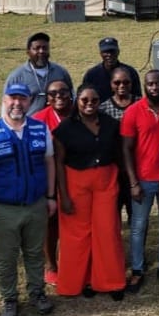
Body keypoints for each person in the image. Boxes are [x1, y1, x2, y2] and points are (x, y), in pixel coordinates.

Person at [0, 84, 57, 316]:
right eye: (12, 99)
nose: (17, 103)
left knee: (35, 253)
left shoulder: (40, 129)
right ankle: (9, 298)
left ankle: (37, 292)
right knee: (6, 257)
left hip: (36, 204)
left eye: (22, 99)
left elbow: (49, 163)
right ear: (4, 101)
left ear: (29, 102)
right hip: (2, 208)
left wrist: (50, 197)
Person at [52, 84, 126, 299]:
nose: (89, 104)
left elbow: (118, 155)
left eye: (94, 100)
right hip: (76, 183)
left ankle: (112, 282)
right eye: (85, 100)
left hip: (106, 182)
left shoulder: (111, 125)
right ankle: (81, 281)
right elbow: (58, 163)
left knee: (107, 231)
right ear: (77, 101)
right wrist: (63, 195)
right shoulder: (65, 129)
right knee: (77, 234)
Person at [121, 69, 159, 291]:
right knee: (139, 225)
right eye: (150, 84)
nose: (154, 87)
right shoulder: (133, 111)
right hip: (143, 179)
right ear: (144, 86)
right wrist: (133, 182)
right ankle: (137, 269)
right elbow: (127, 149)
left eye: (158, 83)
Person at [32, 79, 73, 286]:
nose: (59, 96)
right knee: (51, 221)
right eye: (53, 93)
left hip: (76, 176)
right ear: (47, 98)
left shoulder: (80, 112)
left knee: (75, 221)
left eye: (63, 92)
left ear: (71, 93)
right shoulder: (39, 120)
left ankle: (72, 261)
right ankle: (50, 265)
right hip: (49, 178)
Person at [98, 66, 137, 228]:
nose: (122, 86)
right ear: (111, 84)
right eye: (117, 82)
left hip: (136, 167)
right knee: (113, 214)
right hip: (113, 168)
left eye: (126, 82)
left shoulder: (140, 104)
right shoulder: (103, 109)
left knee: (136, 213)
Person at [4, 32, 73, 116]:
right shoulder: (17, 77)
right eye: (37, 48)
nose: (41, 51)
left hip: (57, 125)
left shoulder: (60, 72)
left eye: (45, 48)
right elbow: (6, 106)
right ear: (28, 52)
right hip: (29, 126)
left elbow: (72, 97)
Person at [81, 36, 142, 103]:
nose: (109, 55)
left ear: (118, 52)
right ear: (100, 53)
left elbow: (137, 98)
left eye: (112, 51)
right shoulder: (92, 75)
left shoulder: (130, 72)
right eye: (106, 52)